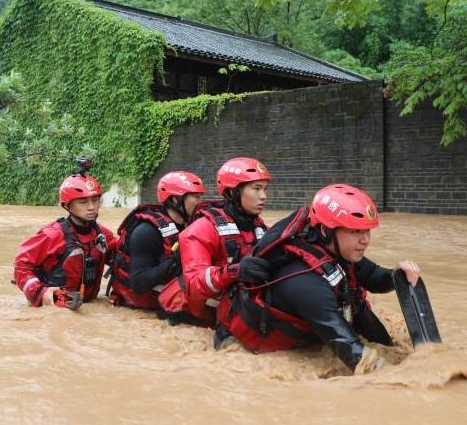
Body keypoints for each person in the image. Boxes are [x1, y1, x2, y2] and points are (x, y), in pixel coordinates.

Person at [216, 183, 421, 373]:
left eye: (367, 231)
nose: (365, 240)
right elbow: (355, 355)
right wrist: (414, 379)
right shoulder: (306, 283)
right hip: (239, 341)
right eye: (354, 231)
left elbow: (374, 277)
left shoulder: (337, 251)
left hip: (310, 327)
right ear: (326, 231)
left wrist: (397, 275)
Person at [172, 157, 270, 327]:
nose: (263, 196)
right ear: (233, 192)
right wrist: (234, 272)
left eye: (265, 189)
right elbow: (194, 286)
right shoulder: (201, 229)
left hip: (238, 305)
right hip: (200, 314)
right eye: (256, 189)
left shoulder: (258, 226)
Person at [13, 166, 118, 309]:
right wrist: (42, 294)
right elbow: (22, 265)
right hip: (58, 307)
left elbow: (124, 258)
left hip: (90, 305)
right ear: (68, 206)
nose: (91, 207)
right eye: (83, 202)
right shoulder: (52, 235)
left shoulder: (103, 235)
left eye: (95, 200)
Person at [107, 171, 206, 310]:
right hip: (142, 304)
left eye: (201, 197)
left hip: (170, 296)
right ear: (175, 200)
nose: (200, 203)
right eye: (196, 197)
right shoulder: (146, 232)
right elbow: (138, 282)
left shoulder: (189, 225)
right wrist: (176, 262)